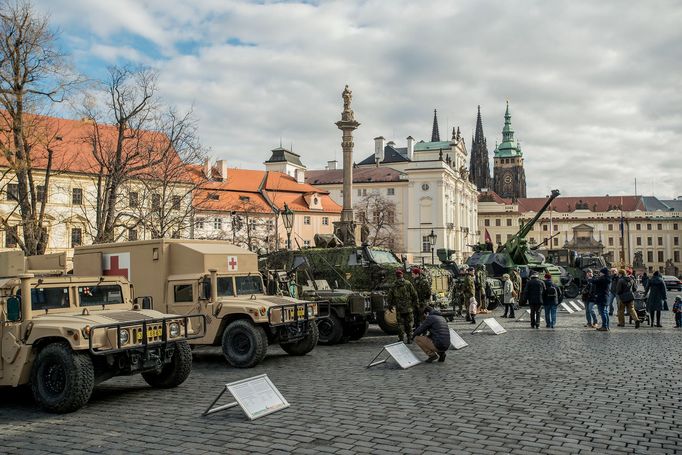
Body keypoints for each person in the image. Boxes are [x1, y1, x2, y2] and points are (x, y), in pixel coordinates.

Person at [387, 269, 418, 343]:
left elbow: (390, 297)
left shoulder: (394, 285)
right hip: (409, 308)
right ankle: (409, 338)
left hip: (399, 308)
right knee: (409, 323)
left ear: (396, 276)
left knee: (400, 324)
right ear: (402, 275)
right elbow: (414, 294)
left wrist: (390, 306)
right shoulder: (408, 283)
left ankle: (401, 338)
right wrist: (415, 304)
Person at [593, 267, 611, 331]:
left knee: (602, 312)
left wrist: (591, 277)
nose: (599, 273)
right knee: (605, 312)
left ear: (603, 273)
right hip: (606, 297)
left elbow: (594, 281)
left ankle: (605, 326)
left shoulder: (602, 279)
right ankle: (607, 326)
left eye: (600, 272)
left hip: (601, 297)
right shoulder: (607, 278)